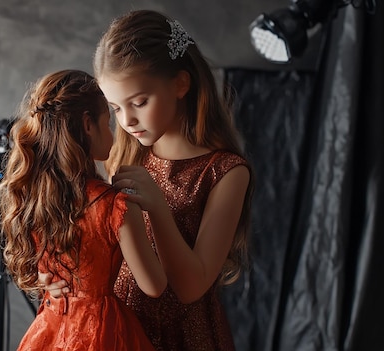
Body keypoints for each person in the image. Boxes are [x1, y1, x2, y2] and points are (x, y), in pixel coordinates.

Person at [40, 10, 254, 351]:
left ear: (181, 84)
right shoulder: (119, 157)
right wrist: (55, 277)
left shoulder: (226, 172)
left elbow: (191, 287)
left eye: (139, 102)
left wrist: (156, 205)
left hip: (185, 337)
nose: (127, 120)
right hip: (118, 328)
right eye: (114, 108)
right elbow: (87, 238)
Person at [0, 69, 168, 350]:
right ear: (88, 124)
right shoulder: (115, 206)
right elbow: (154, 286)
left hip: (50, 328)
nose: (114, 131)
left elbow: (44, 267)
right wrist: (158, 210)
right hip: (101, 332)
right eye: (108, 121)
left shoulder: (36, 197)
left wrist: (45, 280)